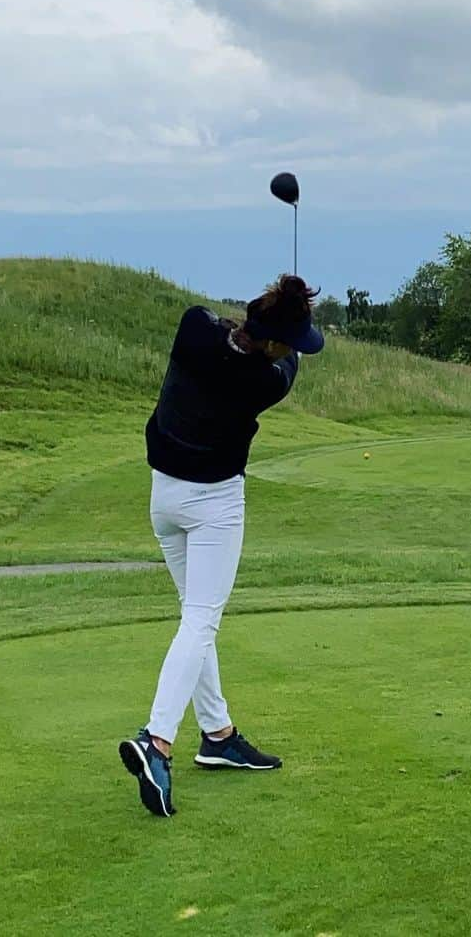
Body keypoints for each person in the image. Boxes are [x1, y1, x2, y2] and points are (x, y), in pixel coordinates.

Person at [119, 274, 324, 817]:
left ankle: (217, 734)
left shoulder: (192, 328)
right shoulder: (267, 381)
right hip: (213, 506)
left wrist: (275, 312)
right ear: (278, 344)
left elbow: (220, 326)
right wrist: (287, 323)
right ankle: (157, 740)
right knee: (202, 619)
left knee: (194, 615)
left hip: (163, 500)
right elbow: (286, 363)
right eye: (292, 341)